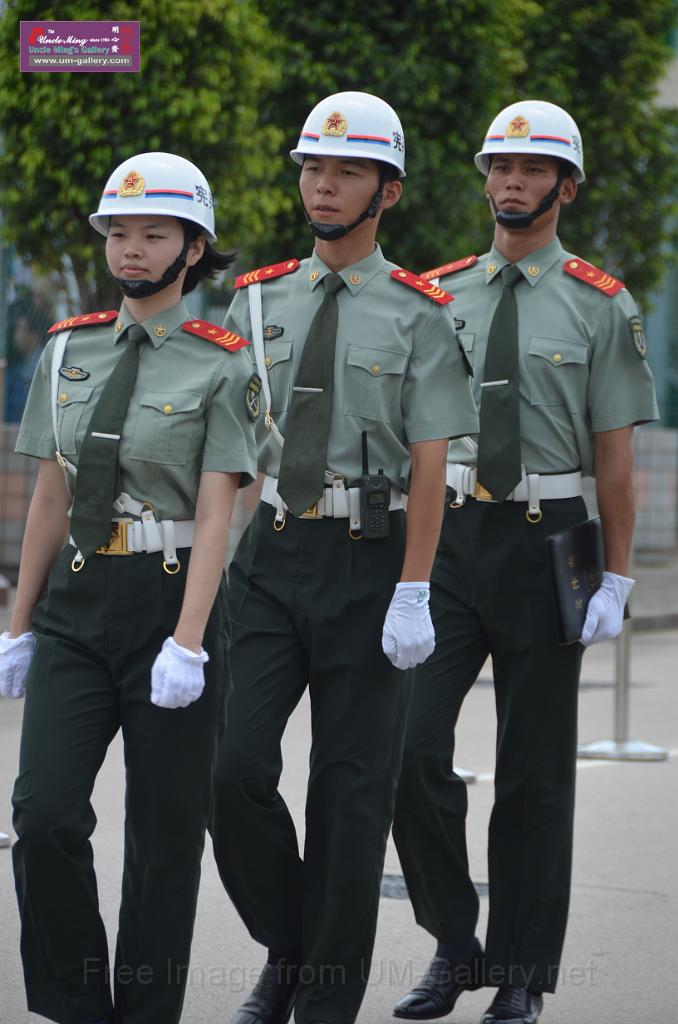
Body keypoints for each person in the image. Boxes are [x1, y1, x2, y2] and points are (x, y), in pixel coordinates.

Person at [210, 91, 478, 1024]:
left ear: (387, 191)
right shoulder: (255, 297)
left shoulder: (423, 313)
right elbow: (233, 451)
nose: (323, 186)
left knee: (350, 795)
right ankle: (290, 944)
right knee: (231, 769)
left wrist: (415, 590)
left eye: (347, 172)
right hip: (270, 556)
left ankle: (321, 1001)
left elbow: (436, 459)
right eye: (314, 169)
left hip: (373, 564)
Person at [391, 100, 659, 1024]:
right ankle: (457, 942)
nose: (510, 182)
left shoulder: (600, 301)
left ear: (564, 186)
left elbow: (616, 455)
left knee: (536, 771)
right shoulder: (435, 295)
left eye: (531, 169)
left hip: (555, 537)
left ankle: (522, 976)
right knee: (406, 750)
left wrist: (618, 575)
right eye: (499, 167)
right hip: (450, 532)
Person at [0, 151, 257, 1024]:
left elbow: (221, 513)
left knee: (164, 837)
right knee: (43, 816)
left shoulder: (222, 363)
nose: (132, 248)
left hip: (171, 600)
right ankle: (78, 1006)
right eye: (119, 231)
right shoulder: (67, 350)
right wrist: (18, 622)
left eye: (154, 233)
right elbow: (50, 495)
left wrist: (189, 642)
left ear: (193, 248)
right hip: (76, 603)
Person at [3, 291, 54, 423]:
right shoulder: (22, 362)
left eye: (21, 329)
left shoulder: (40, 359)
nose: (16, 335)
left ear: (34, 335)